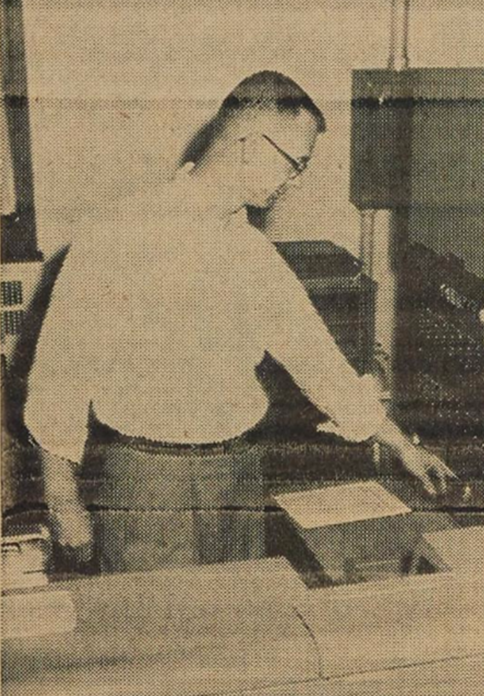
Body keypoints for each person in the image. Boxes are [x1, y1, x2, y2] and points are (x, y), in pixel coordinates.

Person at [24, 71, 455, 574]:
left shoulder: (251, 252)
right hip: (150, 482)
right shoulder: (119, 234)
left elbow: (315, 357)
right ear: (250, 145)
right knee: (163, 644)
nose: (293, 182)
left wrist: (401, 444)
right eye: (295, 164)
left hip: (238, 476)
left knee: (242, 634)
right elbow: (60, 375)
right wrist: (62, 501)